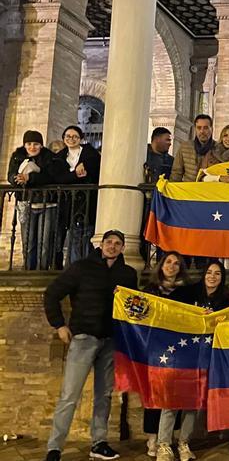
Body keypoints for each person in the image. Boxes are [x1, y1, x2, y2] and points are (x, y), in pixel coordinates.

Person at [43, 230, 138, 461]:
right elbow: (52, 294)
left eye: (117, 243)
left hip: (111, 340)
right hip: (84, 338)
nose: (112, 246)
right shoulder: (81, 267)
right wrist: (59, 325)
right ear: (101, 244)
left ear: (123, 247)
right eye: (109, 242)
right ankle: (54, 448)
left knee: (103, 396)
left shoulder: (127, 274)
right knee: (69, 395)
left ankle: (99, 443)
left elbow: (134, 306)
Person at [140, 251, 189, 457]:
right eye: (168, 262)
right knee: (155, 394)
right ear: (161, 266)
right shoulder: (150, 290)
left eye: (176, 264)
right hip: (154, 349)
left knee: (173, 395)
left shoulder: (187, 292)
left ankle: (167, 437)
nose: (171, 266)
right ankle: (152, 437)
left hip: (178, 349)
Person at [51, 125, 101, 264]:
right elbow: (58, 178)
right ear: (63, 138)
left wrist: (76, 176)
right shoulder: (59, 157)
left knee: (85, 235)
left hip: (87, 200)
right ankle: (72, 267)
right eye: (68, 136)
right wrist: (75, 175)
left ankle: (81, 266)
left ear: (80, 138)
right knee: (72, 234)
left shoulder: (90, 155)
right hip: (68, 202)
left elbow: (93, 173)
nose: (71, 139)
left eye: (75, 137)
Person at [7, 130, 56, 270]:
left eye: (36, 144)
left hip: (47, 202)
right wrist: (16, 179)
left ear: (41, 145)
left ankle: (42, 269)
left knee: (44, 242)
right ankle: (28, 267)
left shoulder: (49, 158)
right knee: (28, 241)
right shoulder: (17, 157)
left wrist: (31, 178)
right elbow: (10, 174)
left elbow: (51, 177)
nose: (32, 147)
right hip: (26, 202)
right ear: (24, 144)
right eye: (29, 144)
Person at [170, 114, 218, 182]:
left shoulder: (218, 148)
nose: (202, 131)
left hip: (209, 189)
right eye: (199, 128)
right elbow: (176, 173)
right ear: (195, 129)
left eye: (206, 128)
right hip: (188, 189)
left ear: (211, 129)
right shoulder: (184, 147)